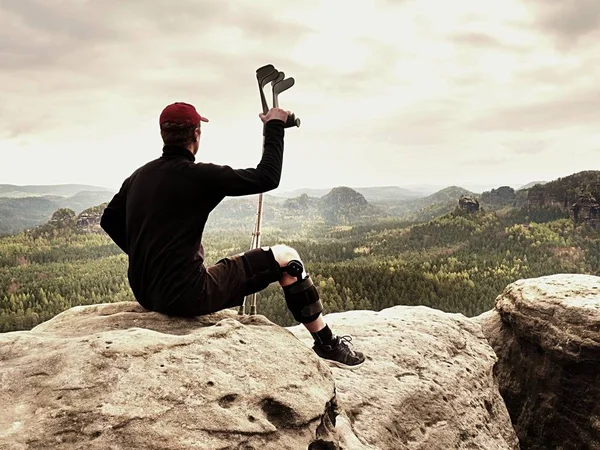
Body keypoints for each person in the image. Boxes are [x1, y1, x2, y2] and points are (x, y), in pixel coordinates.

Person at [100, 102, 365, 369]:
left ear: (163, 134)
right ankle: (327, 344)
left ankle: (327, 343)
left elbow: (109, 220)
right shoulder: (200, 176)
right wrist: (274, 127)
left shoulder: (138, 176)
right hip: (187, 295)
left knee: (235, 263)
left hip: (145, 293)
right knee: (287, 259)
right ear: (196, 134)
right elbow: (267, 178)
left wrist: (147, 255)